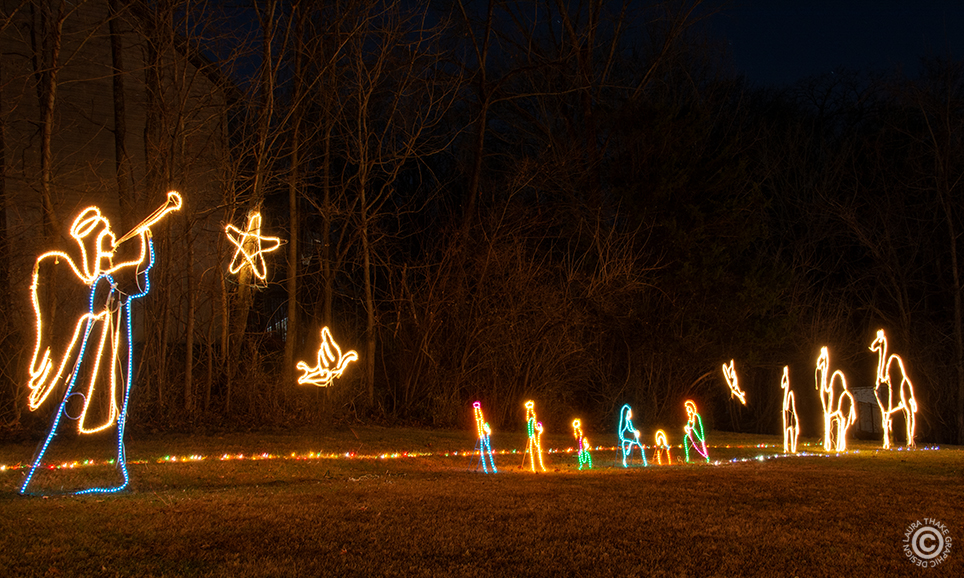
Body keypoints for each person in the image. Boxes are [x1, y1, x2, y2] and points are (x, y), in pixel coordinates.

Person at [22, 192, 182, 495]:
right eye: (104, 233)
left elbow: (141, 269)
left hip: (108, 355)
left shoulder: (108, 279)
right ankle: (66, 464)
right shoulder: (88, 279)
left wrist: (146, 230)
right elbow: (112, 286)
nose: (111, 235)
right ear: (92, 242)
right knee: (81, 405)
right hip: (88, 357)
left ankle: (107, 470)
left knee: (108, 409)